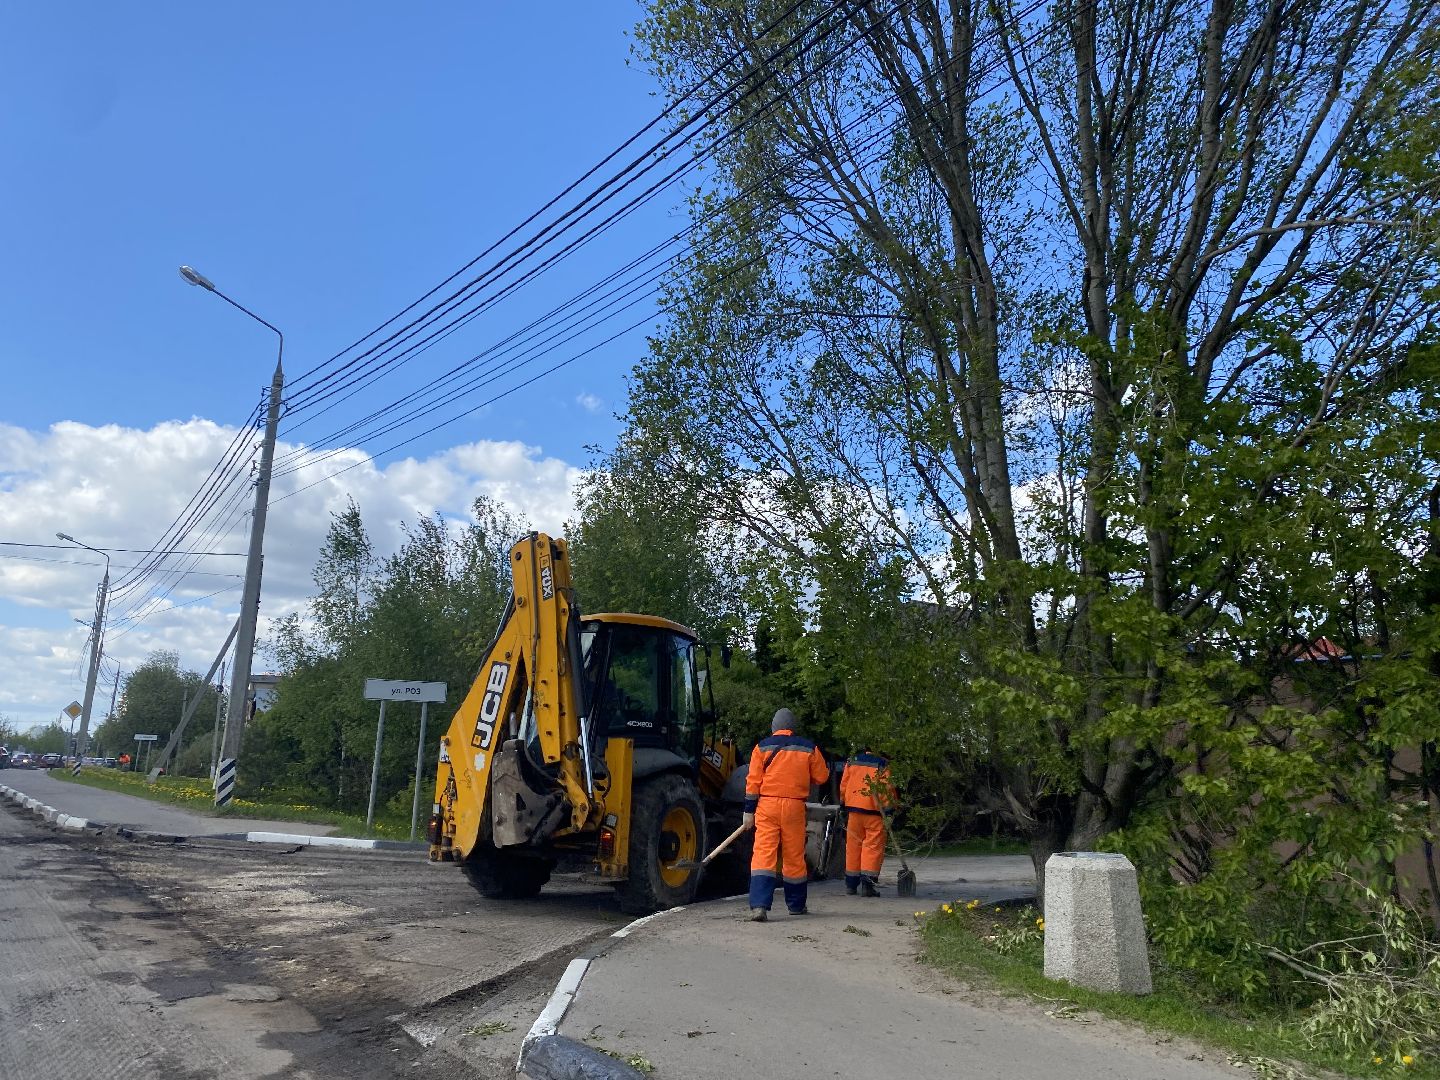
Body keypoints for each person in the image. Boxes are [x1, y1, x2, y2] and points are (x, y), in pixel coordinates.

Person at [743, 708, 829, 922]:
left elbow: (753, 783)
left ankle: (759, 907)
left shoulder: (761, 747)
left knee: (764, 854)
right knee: (794, 856)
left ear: (773, 727)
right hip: (794, 807)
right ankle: (796, 906)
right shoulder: (808, 748)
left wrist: (748, 811)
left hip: (767, 806)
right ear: (793, 728)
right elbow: (822, 777)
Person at [840, 746, 893, 897]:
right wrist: (889, 810)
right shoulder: (882, 764)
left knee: (853, 847)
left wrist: (843, 803)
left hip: (853, 812)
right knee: (873, 848)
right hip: (874, 813)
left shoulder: (852, 762)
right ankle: (867, 886)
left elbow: (844, 785)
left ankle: (851, 884)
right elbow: (886, 789)